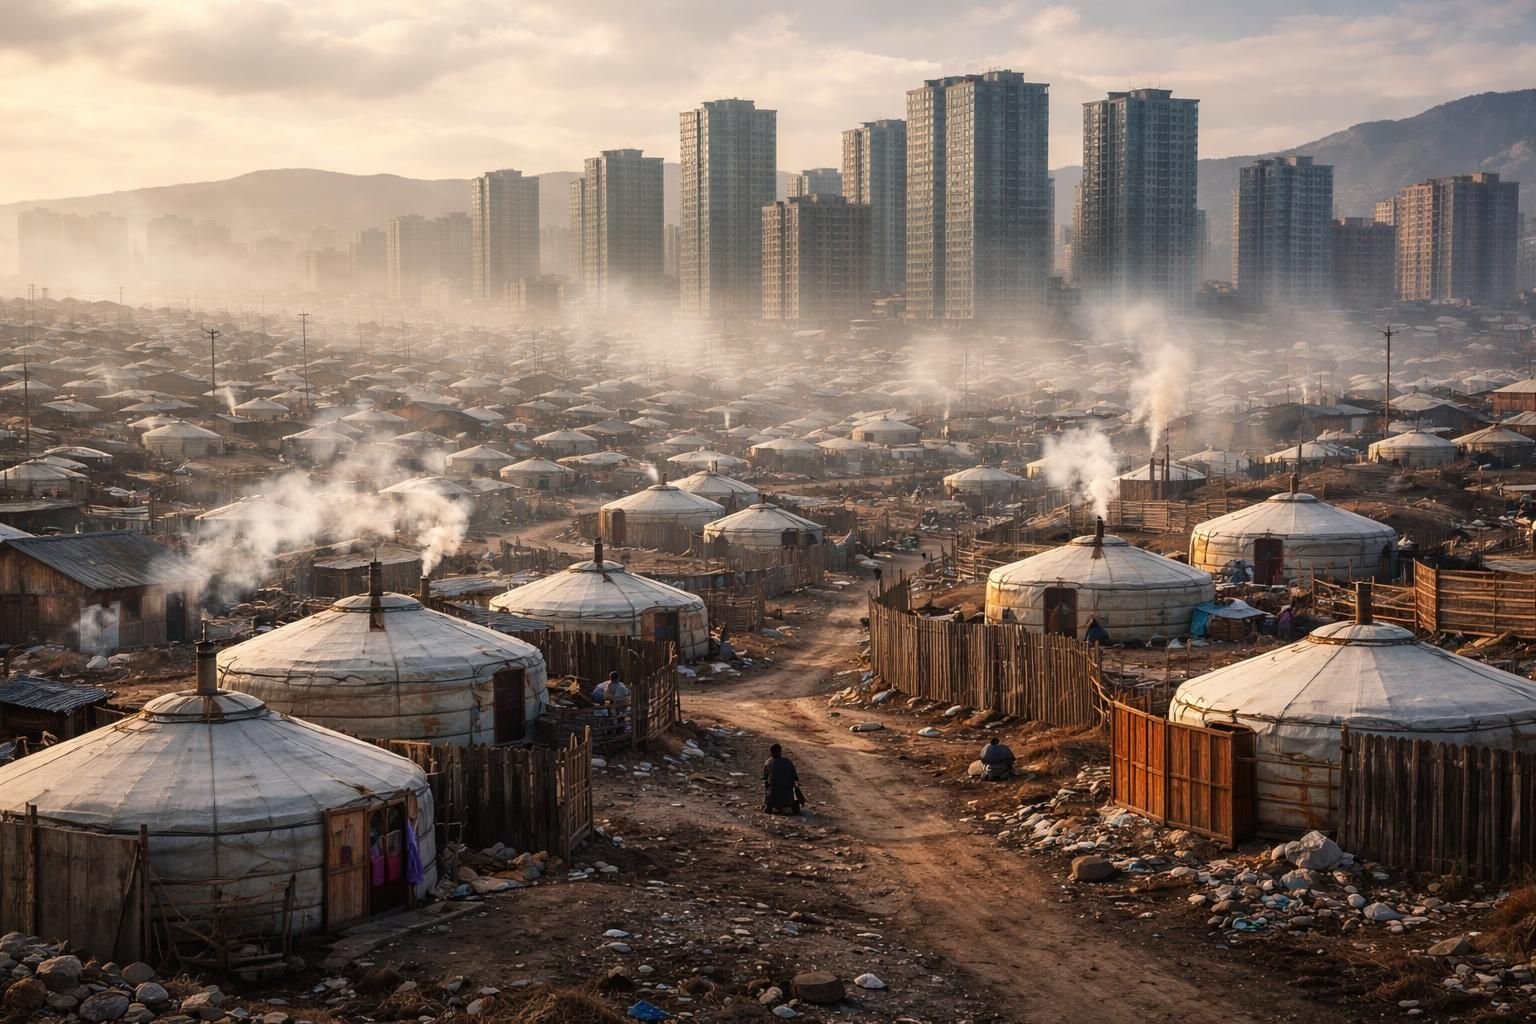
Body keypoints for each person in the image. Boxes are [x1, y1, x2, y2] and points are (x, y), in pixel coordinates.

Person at [762, 743, 802, 814]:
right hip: (788, 794)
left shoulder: (768, 762)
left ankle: (768, 800)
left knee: (766, 782)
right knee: (794, 785)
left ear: (771, 753)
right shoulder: (787, 762)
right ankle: (796, 802)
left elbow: (765, 776)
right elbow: (795, 777)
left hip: (774, 794)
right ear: (780, 752)